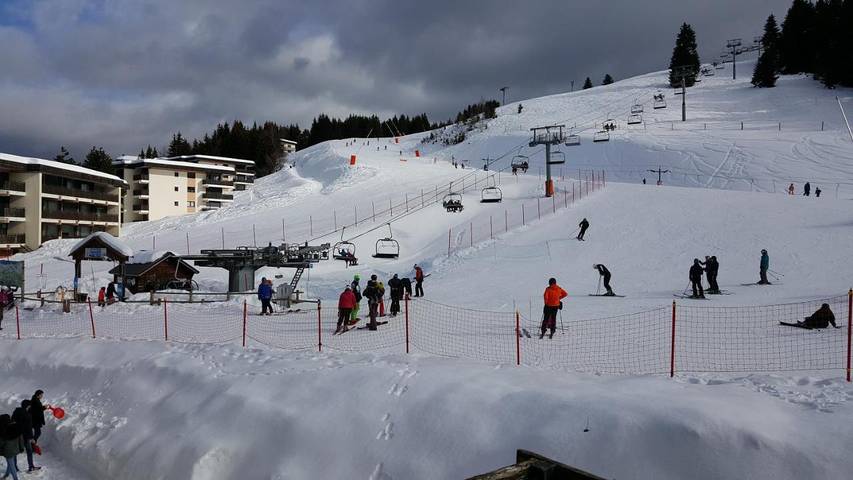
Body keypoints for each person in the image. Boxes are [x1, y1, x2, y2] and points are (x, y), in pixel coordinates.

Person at [11, 401, 37, 473]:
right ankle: (31, 466)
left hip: (16, 435)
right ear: (27, 406)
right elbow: (29, 427)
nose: (30, 407)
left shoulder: (16, 412)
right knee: (29, 451)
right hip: (25, 436)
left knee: (15, 452)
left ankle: (14, 467)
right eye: (29, 406)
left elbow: (12, 421)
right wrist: (31, 438)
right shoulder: (28, 415)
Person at [0, 414, 24, 480]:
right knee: (10, 463)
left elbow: (1, 443)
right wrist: (21, 447)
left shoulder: (3, 430)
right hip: (16, 449)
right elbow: (21, 438)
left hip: (8, 451)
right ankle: (6, 474)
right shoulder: (16, 426)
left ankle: (15, 478)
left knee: (11, 464)